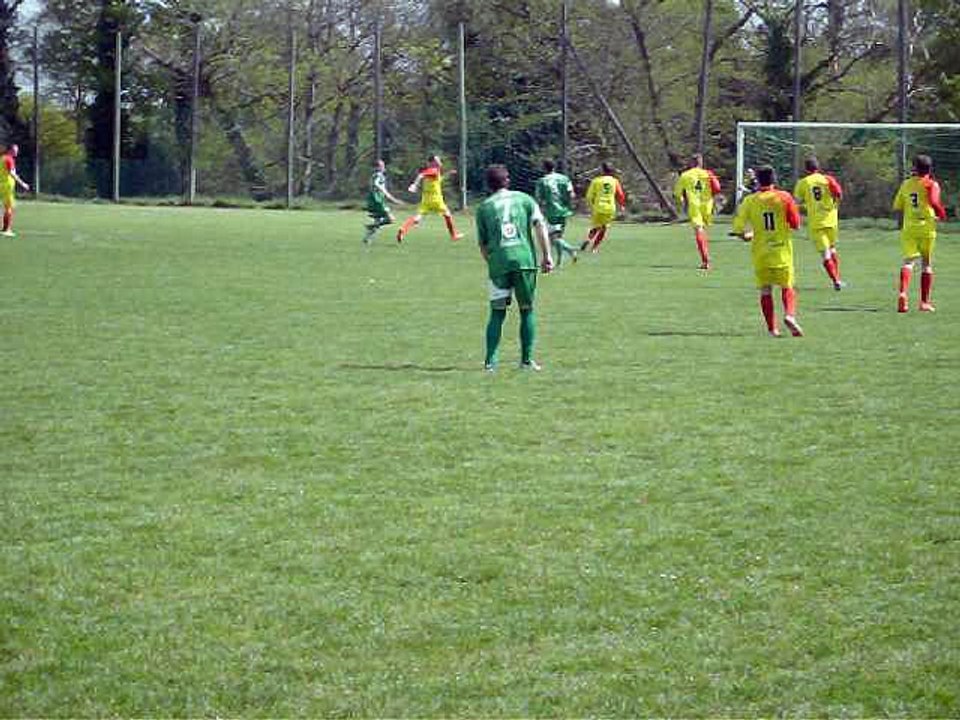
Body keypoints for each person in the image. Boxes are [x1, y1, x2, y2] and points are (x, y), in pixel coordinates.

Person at [476, 164, 554, 371]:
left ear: (488, 185)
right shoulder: (525, 199)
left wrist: (493, 264)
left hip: (499, 263)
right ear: (507, 180)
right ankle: (526, 361)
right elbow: (539, 226)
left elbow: (483, 246)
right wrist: (547, 256)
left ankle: (490, 363)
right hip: (524, 262)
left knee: (497, 312)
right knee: (526, 310)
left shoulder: (484, 207)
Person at [732, 165, 804, 337]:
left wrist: (747, 235)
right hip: (781, 251)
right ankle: (789, 315)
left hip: (761, 253)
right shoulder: (784, 197)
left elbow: (738, 228)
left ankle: (772, 329)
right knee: (787, 286)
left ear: (757, 180)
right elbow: (796, 224)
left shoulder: (750, 201)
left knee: (765, 290)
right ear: (774, 179)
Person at [893, 154, 947, 313]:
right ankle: (924, 302)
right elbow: (935, 202)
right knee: (926, 264)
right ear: (929, 169)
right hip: (926, 226)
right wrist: (942, 215)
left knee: (908, 262)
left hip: (909, 226)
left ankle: (903, 293)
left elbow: (898, 206)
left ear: (915, 168)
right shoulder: (931, 184)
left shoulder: (906, 184)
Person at [793, 156, 845, 290]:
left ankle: (836, 281)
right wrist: (834, 205)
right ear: (818, 167)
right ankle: (838, 277)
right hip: (831, 219)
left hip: (816, 222)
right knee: (832, 248)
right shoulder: (827, 179)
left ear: (806, 169)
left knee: (825, 253)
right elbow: (839, 193)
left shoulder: (803, 183)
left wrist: (805, 206)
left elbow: (796, 202)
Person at [396, 154, 463, 243]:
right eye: (437, 160)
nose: (439, 161)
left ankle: (403, 229)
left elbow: (438, 180)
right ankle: (453, 235)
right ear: (432, 163)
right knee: (447, 215)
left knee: (417, 218)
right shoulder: (433, 170)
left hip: (426, 200)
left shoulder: (435, 172)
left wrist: (448, 174)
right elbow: (421, 175)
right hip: (436, 199)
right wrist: (414, 185)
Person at [673, 153, 722, 269]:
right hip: (707, 205)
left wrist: (680, 201)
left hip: (694, 205)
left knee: (699, 230)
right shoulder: (708, 174)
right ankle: (706, 256)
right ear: (701, 163)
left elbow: (677, 194)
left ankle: (705, 260)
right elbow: (718, 188)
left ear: (691, 163)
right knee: (703, 230)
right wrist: (711, 195)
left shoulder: (685, 175)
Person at [534, 159, 578, 266]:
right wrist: (569, 206)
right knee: (559, 237)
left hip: (551, 212)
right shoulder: (564, 178)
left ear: (544, 168)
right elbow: (572, 194)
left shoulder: (542, 181)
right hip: (564, 211)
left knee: (552, 239)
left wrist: (539, 210)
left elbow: (539, 199)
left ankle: (571, 250)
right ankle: (559, 262)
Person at [582, 162, 626, 253]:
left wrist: (591, 205)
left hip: (598, 207)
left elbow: (589, 196)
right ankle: (594, 248)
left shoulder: (596, 181)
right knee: (604, 228)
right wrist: (621, 205)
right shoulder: (614, 181)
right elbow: (620, 194)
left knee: (596, 226)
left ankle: (588, 239)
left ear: (602, 170)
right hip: (610, 207)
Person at [362, 159, 404, 245]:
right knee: (391, 219)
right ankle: (370, 227)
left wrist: (390, 197)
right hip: (377, 200)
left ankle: (367, 239)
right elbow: (376, 183)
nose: (383, 167)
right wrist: (387, 194)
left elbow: (375, 185)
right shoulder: (378, 175)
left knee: (378, 222)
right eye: (381, 166)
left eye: (383, 165)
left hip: (374, 199)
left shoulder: (377, 175)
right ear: (377, 167)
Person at [1, 144, 30, 237]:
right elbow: (12, 174)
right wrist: (23, 184)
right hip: (7, 186)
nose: (16, 152)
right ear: (10, 150)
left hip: (1, 185)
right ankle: (7, 230)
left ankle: (4, 229)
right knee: (9, 208)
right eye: (15, 150)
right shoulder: (9, 159)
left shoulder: (2, 158)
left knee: (7, 208)